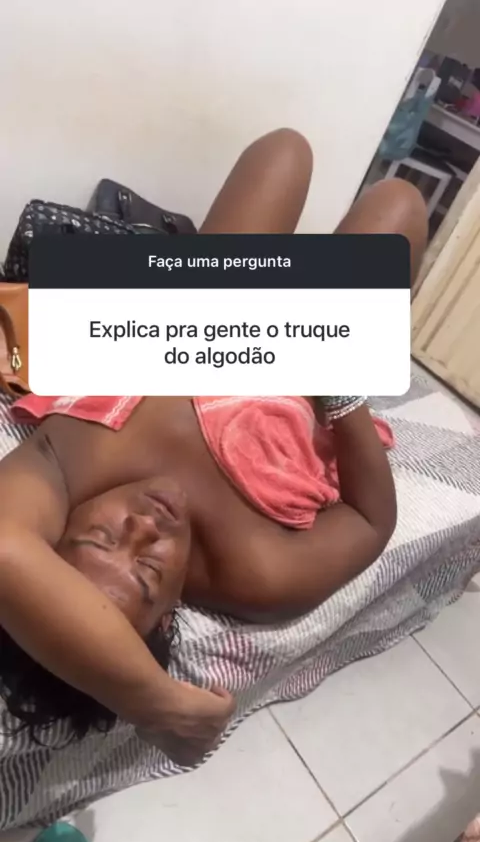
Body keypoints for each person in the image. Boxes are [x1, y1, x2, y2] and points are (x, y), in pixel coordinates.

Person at [0, 129, 428, 769]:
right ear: (169, 617)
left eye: (102, 537)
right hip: (306, 363)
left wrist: (158, 705)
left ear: (56, 530)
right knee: (399, 204)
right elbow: (372, 521)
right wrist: (339, 388)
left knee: (286, 152)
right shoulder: (253, 572)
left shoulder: (71, 462)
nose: (144, 528)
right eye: (149, 571)